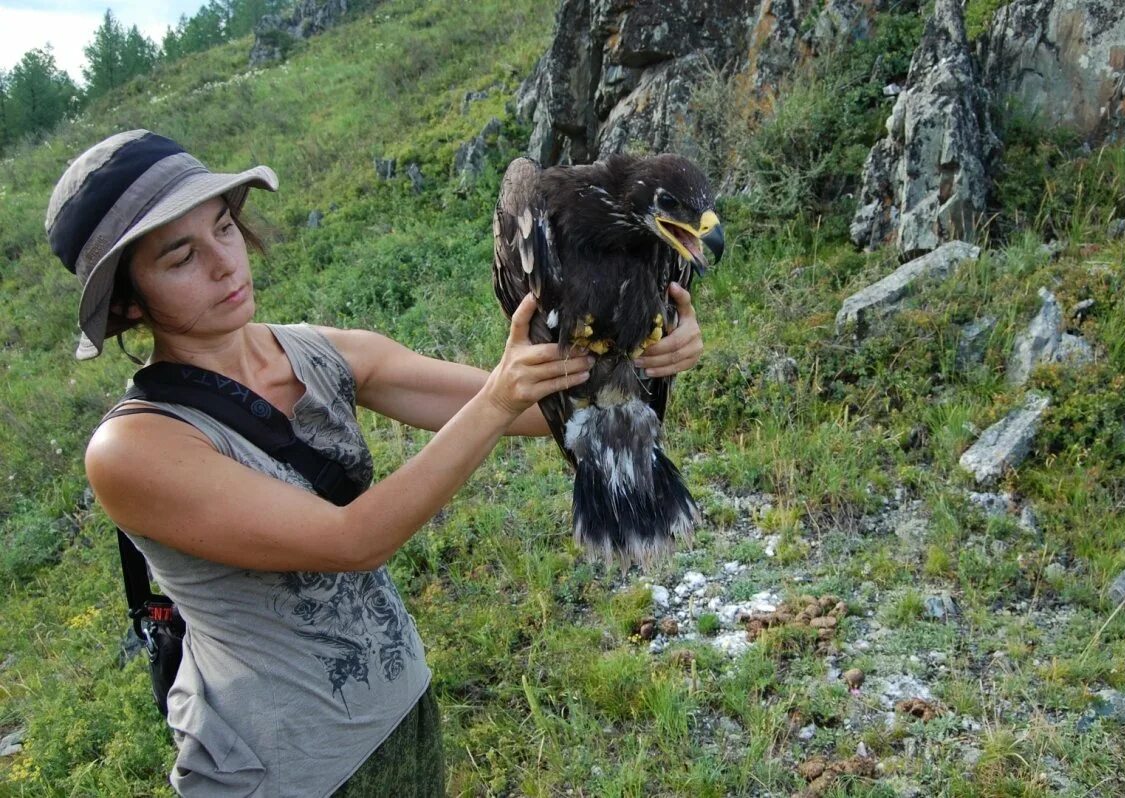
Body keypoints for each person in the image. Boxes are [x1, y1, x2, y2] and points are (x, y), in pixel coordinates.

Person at [45, 130, 704, 796]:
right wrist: (502, 393)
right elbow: (350, 541)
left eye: (225, 228)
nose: (225, 263)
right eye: (181, 256)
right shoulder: (133, 450)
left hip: (402, 714)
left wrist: (640, 357)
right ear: (128, 302)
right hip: (282, 768)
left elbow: (534, 412)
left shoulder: (322, 352)